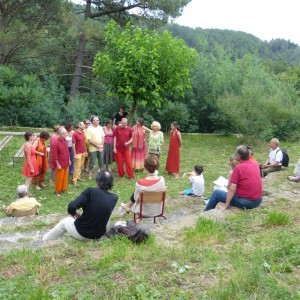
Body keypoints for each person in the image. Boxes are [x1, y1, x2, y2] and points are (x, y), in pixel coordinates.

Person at [42, 170, 118, 241]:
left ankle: (45, 239)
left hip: (82, 233)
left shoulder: (90, 191)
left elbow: (71, 207)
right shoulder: (114, 197)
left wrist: (75, 214)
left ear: (97, 181)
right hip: (98, 235)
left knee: (65, 221)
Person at [204, 145, 263, 211]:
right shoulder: (254, 163)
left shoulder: (238, 167)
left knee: (216, 193)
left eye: (235, 154)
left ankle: (206, 213)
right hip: (259, 199)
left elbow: (232, 189)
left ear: (239, 156)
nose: (234, 155)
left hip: (248, 202)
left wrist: (226, 206)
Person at [52, 127, 71, 196]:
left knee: (65, 176)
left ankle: (64, 189)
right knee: (59, 177)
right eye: (64, 133)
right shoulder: (55, 142)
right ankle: (58, 191)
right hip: (60, 163)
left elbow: (67, 151)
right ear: (60, 134)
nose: (66, 134)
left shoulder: (65, 140)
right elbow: (55, 155)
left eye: (66, 132)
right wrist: (57, 164)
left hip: (66, 161)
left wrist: (69, 160)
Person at [86, 115, 105, 180]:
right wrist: (97, 145)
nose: (97, 121)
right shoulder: (89, 129)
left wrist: (102, 145)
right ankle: (90, 174)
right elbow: (89, 140)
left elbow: (103, 137)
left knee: (101, 161)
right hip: (93, 149)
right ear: (92, 121)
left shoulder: (100, 128)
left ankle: (101, 174)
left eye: (98, 120)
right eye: (96, 120)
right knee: (92, 162)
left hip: (100, 148)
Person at [72, 121, 88, 186]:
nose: (84, 126)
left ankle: (78, 177)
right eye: (83, 125)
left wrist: (86, 151)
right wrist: (75, 154)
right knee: (77, 167)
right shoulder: (75, 134)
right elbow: (73, 144)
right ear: (79, 126)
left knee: (80, 166)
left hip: (83, 152)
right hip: (78, 153)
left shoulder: (83, 132)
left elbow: (84, 143)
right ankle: (74, 180)